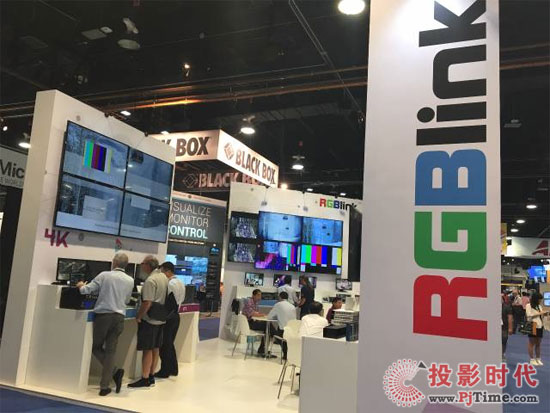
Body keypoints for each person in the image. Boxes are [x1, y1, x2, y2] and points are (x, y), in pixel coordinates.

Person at [77, 252, 134, 396]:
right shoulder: (130, 280)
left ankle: (115, 372)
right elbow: (127, 300)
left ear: (114, 262)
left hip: (104, 316)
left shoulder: (104, 275)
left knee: (96, 346)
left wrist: (81, 285)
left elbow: (85, 290)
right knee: (111, 351)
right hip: (119, 317)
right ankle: (104, 386)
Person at [129, 255, 168, 388]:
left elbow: (147, 302)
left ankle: (145, 378)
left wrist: (139, 316)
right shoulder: (163, 277)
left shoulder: (151, 280)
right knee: (156, 348)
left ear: (148, 265)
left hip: (150, 319)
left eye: (143, 263)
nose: (141, 266)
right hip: (160, 318)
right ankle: (151, 375)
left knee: (147, 349)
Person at [156, 262, 186, 378]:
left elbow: (168, 301)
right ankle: (173, 369)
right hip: (176, 316)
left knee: (164, 345)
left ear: (168, 271)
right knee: (169, 344)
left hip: (169, 316)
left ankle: (165, 371)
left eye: (162, 271)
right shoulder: (180, 282)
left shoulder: (170, 283)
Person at [241, 289, 272, 356]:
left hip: (252, 322)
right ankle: (276, 337)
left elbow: (256, 313)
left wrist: (260, 315)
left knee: (268, 327)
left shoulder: (256, 303)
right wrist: (263, 315)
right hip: (248, 324)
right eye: (258, 295)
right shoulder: (249, 302)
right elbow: (252, 314)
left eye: (260, 295)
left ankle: (262, 349)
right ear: (253, 295)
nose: (260, 297)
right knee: (268, 326)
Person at [267, 292, 297, 360]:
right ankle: (289, 353)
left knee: (274, 333)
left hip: (283, 329)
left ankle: (286, 353)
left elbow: (269, 317)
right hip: (292, 329)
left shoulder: (278, 305)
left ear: (280, 297)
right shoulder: (292, 306)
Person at [525, 292, 549, 366]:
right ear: (536, 299)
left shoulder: (539, 306)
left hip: (540, 325)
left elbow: (540, 315)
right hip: (533, 325)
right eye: (539, 299)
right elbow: (529, 315)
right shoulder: (528, 305)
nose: (540, 301)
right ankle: (532, 359)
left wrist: (545, 314)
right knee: (531, 343)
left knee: (538, 343)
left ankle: (538, 358)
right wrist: (540, 313)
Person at [501, 294, 513, 361]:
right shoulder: (493, 307)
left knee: (504, 341)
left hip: (504, 327)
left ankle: (502, 354)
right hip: (494, 327)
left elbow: (510, 318)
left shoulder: (507, 307)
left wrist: (510, 328)